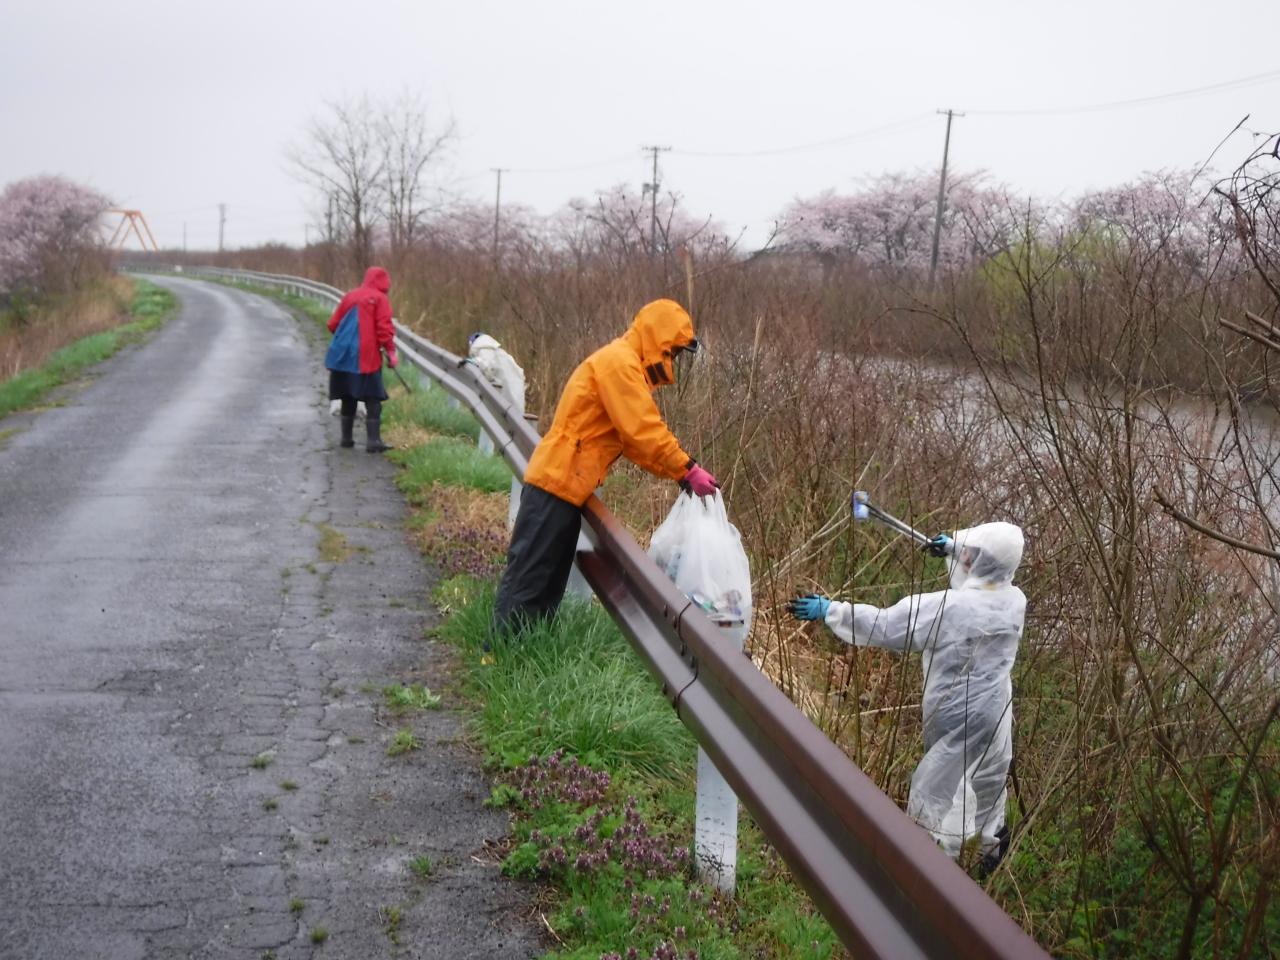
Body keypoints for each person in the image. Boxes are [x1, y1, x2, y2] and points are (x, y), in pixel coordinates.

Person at [788, 522, 1025, 870]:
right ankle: (991, 855)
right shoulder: (1014, 602)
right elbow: (986, 576)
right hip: (996, 713)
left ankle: (930, 873)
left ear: (978, 561)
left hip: (956, 714)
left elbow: (887, 625)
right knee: (988, 782)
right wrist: (954, 548)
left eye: (971, 553)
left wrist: (832, 611)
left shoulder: (948, 609)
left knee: (935, 794)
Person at [493, 298, 717, 634]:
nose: (672, 361)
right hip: (556, 484)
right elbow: (642, 430)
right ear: (659, 340)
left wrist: (679, 474)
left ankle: (519, 651)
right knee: (528, 582)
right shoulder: (620, 364)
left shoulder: (624, 364)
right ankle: (497, 654)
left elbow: (632, 442)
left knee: (544, 587)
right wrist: (686, 468)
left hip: (566, 486)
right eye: (673, 352)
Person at [325, 266, 398, 453]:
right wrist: (390, 351)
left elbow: (332, 324)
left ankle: (346, 439)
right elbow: (384, 329)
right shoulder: (380, 298)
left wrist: (346, 340)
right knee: (373, 398)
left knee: (348, 395)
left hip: (341, 355)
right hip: (366, 356)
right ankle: (373, 442)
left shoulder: (350, 296)